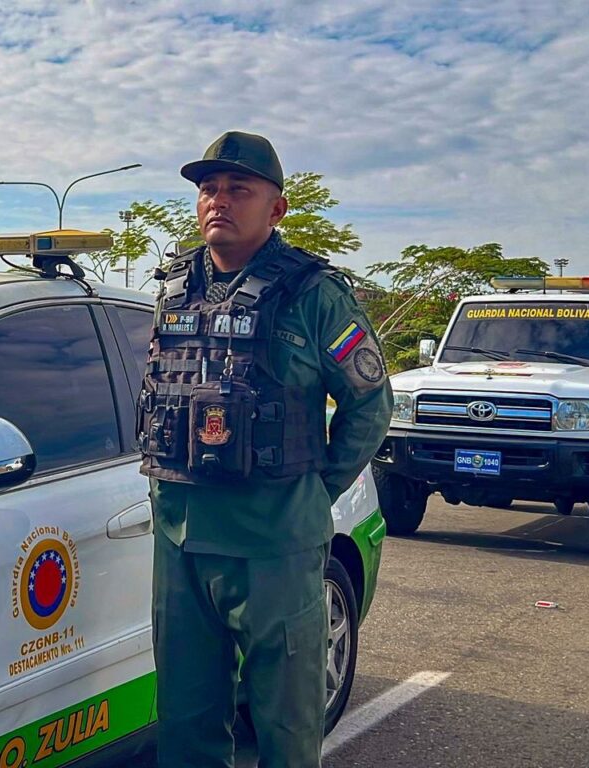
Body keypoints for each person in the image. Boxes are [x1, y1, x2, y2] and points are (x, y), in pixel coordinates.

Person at [137, 131, 393, 767]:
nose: (218, 200)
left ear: (276, 208)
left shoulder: (314, 293)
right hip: (181, 539)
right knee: (186, 720)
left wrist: (313, 491)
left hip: (275, 542)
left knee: (286, 722)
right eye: (208, 189)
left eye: (238, 189)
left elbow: (369, 404)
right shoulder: (173, 287)